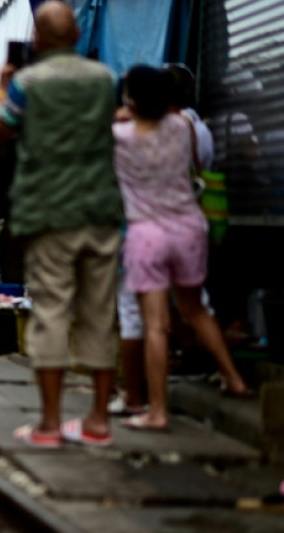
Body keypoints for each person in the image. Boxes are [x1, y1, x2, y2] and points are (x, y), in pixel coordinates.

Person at [0, 1, 124, 448]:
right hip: (101, 209)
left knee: (50, 311)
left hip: (48, 213)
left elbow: (2, 128)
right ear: (76, 35)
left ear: (38, 39)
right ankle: (98, 422)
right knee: (100, 314)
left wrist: (1, 88)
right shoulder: (105, 79)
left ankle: (49, 425)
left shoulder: (28, 82)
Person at [112, 66, 249, 432]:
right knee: (196, 309)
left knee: (155, 325)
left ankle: (156, 411)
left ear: (132, 99)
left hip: (147, 236)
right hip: (189, 229)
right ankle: (233, 378)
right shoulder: (184, 127)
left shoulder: (120, 135)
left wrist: (124, 110)